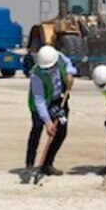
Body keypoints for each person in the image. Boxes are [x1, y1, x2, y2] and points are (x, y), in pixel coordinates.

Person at [25, 45, 75, 177]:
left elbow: (68, 62)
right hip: (40, 104)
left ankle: (47, 164)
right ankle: (30, 163)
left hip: (59, 100)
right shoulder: (36, 75)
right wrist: (47, 122)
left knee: (61, 132)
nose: (50, 69)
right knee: (37, 129)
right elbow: (39, 101)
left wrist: (70, 73)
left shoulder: (57, 55)